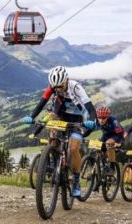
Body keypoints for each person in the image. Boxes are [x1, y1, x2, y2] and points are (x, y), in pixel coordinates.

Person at [23, 66, 97, 197]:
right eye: (55, 87)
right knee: (53, 131)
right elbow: (42, 102)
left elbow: (90, 108)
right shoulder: (52, 87)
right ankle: (53, 156)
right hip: (61, 115)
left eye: (60, 86)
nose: (58, 89)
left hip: (78, 118)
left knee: (73, 149)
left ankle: (76, 180)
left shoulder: (76, 87)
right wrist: (32, 116)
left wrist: (92, 120)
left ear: (66, 80)